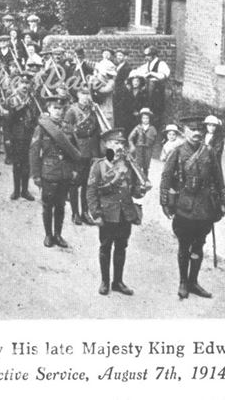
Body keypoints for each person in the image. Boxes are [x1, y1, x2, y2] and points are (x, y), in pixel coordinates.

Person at [160, 116, 225, 299]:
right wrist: (164, 202)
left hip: (205, 208)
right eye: (192, 129)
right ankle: (183, 281)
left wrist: (223, 201)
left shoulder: (210, 152)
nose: (197, 133)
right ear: (185, 131)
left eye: (200, 129)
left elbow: (218, 177)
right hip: (184, 208)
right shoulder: (177, 151)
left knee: (198, 246)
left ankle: (193, 281)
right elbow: (166, 177)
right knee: (184, 246)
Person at [87, 128, 150, 296]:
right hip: (107, 214)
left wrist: (142, 190)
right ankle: (105, 282)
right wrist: (96, 214)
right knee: (105, 247)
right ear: (107, 144)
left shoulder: (129, 165)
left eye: (122, 143)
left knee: (121, 247)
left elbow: (135, 191)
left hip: (125, 213)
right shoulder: (99, 165)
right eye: (115, 143)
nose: (120, 146)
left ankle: (118, 282)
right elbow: (91, 192)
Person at [30, 95, 83, 248]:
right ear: (49, 109)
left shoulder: (67, 128)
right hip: (49, 171)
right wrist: (36, 174)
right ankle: (48, 235)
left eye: (61, 109)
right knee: (47, 205)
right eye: (55, 108)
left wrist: (74, 170)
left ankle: (58, 235)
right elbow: (34, 151)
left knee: (60, 206)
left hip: (64, 172)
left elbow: (76, 151)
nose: (58, 112)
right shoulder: (42, 127)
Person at [63, 86, 101, 225]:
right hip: (78, 151)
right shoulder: (72, 111)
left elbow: (96, 131)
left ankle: (85, 212)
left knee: (87, 184)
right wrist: (72, 152)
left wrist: (96, 152)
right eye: (83, 94)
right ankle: (75, 213)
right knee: (75, 183)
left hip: (90, 151)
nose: (86, 97)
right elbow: (67, 133)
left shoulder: (93, 111)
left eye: (88, 94)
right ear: (78, 95)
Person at [127, 108, 158, 181]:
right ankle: (136, 181)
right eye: (143, 118)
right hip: (139, 149)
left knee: (146, 166)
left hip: (148, 149)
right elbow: (130, 138)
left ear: (150, 119)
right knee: (138, 165)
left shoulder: (152, 128)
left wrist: (152, 146)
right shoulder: (138, 127)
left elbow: (155, 140)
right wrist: (132, 146)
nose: (145, 120)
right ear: (141, 119)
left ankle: (145, 181)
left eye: (147, 118)